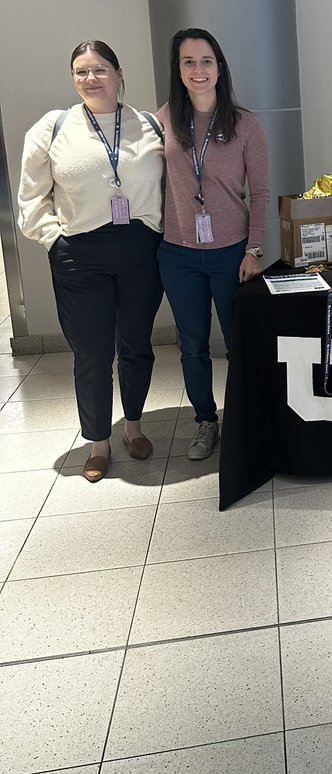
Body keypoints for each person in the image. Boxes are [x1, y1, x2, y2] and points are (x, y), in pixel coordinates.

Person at [18, 41, 165, 481]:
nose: (90, 78)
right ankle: (98, 441)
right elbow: (31, 197)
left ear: (119, 74)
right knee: (92, 353)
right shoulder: (52, 127)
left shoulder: (148, 125)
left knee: (137, 345)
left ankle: (133, 428)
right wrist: (53, 240)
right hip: (80, 255)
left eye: (100, 69)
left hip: (141, 250)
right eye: (80, 71)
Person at [157, 28, 270, 460]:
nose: (198, 70)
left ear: (219, 68)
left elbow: (259, 193)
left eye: (206, 61)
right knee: (192, 345)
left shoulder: (245, 125)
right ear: (178, 70)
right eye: (188, 62)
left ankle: (247, 418)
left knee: (239, 341)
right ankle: (206, 420)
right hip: (178, 253)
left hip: (231, 253)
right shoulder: (163, 120)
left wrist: (253, 250)